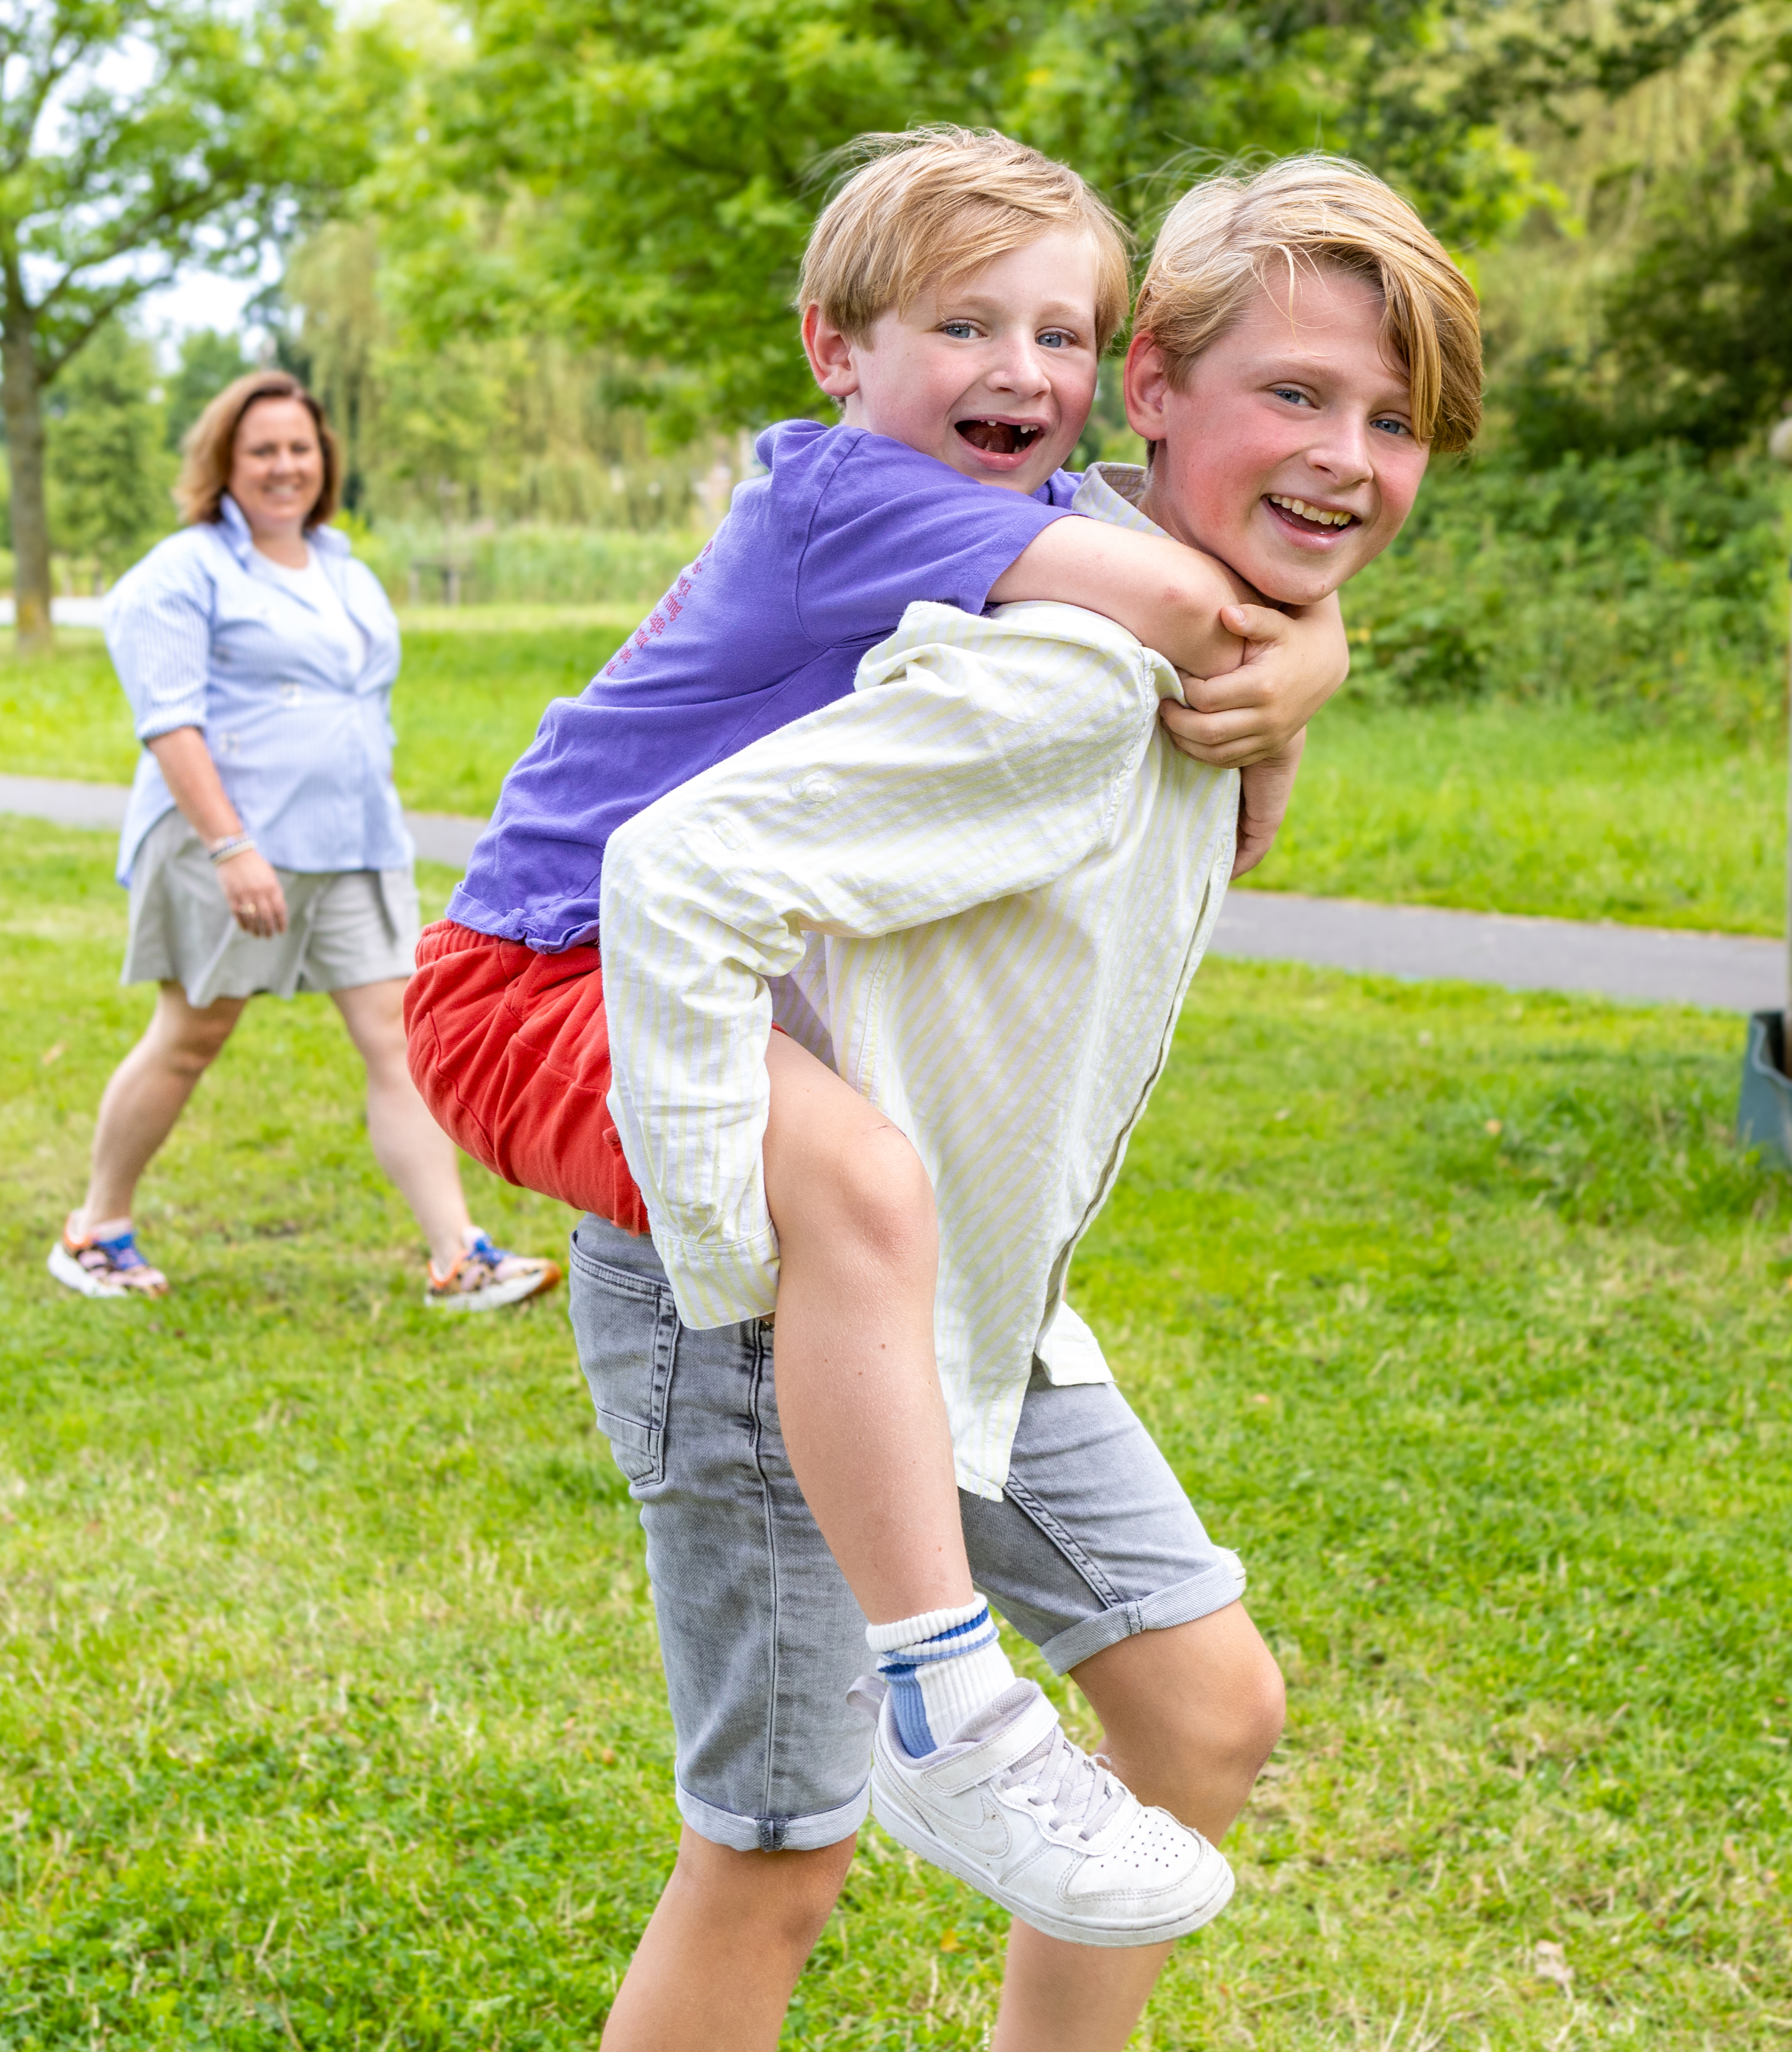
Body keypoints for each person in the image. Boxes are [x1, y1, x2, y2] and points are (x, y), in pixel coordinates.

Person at [584, 152, 1481, 2048]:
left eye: (1389, 420)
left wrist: (1302, 655)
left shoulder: (1156, 609)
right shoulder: (1071, 663)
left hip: (978, 1291)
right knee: (772, 1849)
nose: (1345, 457)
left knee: (1202, 1707)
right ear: (1148, 385)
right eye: (1295, 395)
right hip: (773, 1271)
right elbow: (671, 878)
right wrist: (713, 1252)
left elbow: (1166, 578)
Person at [405, 128, 1343, 1928]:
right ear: (839, 349)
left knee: (871, 1180)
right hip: (538, 966)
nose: (1024, 375)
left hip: (699, 971)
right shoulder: (843, 493)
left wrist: (1310, 652)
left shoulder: (1025, 515)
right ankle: (942, 1688)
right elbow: (1185, 598)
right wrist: (1301, 677)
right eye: (967, 327)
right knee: (858, 1179)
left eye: (1063, 336)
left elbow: (1176, 573)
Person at [49, 370, 557, 1313]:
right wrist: (230, 846)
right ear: (223, 463)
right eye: (263, 450)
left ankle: (460, 1256)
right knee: (192, 1034)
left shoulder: (343, 567)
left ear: (323, 460)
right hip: (234, 843)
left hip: (353, 843)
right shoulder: (184, 570)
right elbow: (169, 724)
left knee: (398, 1040)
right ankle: (96, 1229)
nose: (286, 466)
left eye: (300, 448)